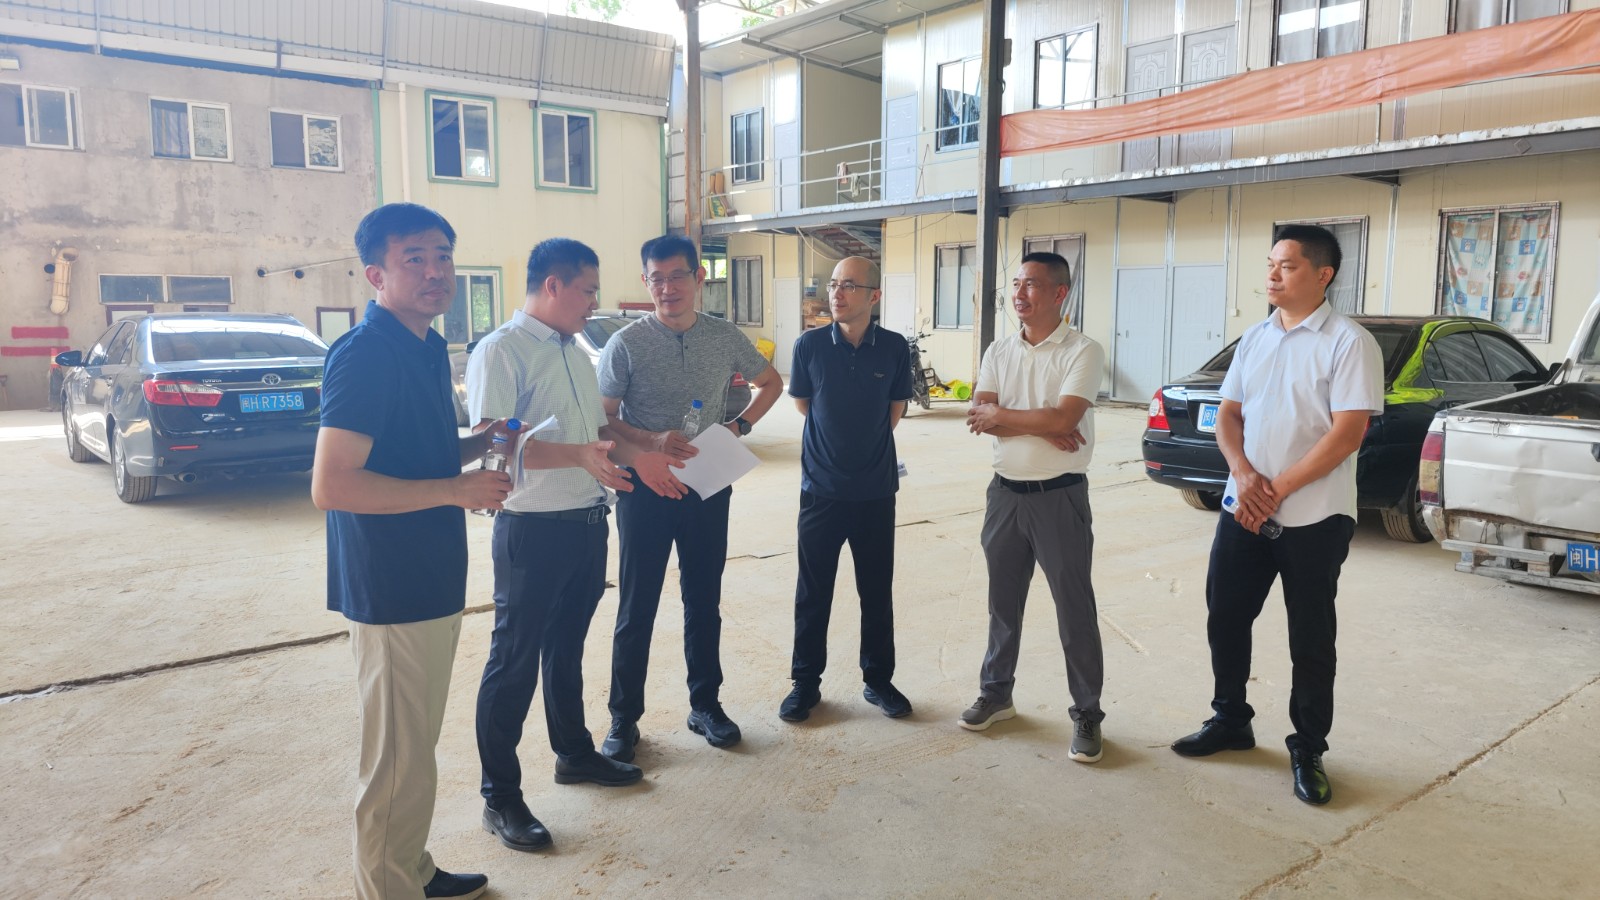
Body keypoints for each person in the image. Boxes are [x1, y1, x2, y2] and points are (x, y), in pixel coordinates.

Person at [312, 202, 506, 900]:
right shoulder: (365, 354)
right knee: (394, 764)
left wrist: (478, 445)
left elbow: (412, 454)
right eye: (414, 259)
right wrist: (455, 489)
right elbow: (333, 485)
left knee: (412, 750)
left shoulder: (423, 345)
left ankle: (410, 869)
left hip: (430, 578)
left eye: (443, 256)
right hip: (391, 588)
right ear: (376, 275)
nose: (435, 272)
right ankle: (389, 887)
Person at [467, 238, 684, 853]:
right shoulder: (501, 350)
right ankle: (500, 797)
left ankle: (574, 753)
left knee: (565, 652)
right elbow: (494, 445)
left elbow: (600, 430)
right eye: (588, 290)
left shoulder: (576, 353)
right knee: (513, 662)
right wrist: (580, 457)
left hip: (588, 522)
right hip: (532, 530)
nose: (594, 302)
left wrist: (644, 453)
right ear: (553, 285)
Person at [1170, 224, 1382, 805]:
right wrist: (1243, 475)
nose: (1272, 275)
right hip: (1243, 509)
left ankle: (1308, 746)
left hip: (1315, 516)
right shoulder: (1256, 338)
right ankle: (1230, 719)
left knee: (1310, 635)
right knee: (1226, 616)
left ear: (1323, 274)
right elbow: (1228, 416)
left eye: (1286, 266)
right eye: (1270, 264)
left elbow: (1347, 434)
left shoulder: (1349, 342)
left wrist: (1277, 489)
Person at [596, 234, 784, 759]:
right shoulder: (626, 344)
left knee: (703, 600)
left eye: (677, 276)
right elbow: (602, 417)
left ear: (699, 278)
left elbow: (771, 383)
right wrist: (650, 441)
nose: (667, 288)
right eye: (656, 278)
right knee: (637, 604)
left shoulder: (724, 337)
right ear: (645, 282)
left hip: (706, 485)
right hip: (644, 487)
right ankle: (623, 719)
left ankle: (706, 706)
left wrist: (737, 427)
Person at [961, 251, 1108, 765]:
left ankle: (1087, 713)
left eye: (1031, 284)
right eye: (1016, 284)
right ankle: (996, 693)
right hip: (1004, 496)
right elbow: (978, 415)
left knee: (1074, 608)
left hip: (1059, 497)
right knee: (1003, 604)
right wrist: (1043, 424)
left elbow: (1065, 417)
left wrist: (1019, 417)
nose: (1019, 294)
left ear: (1059, 293)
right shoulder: (998, 349)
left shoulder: (1083, 350)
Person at [779, 256, 914, 723]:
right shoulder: (809, 346)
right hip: (821, 490)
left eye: (849, 285)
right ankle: (805, 683)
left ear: (874, 296)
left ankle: (878, 680)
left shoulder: (894, 348)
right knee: (812, 592)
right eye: (834, 284)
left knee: (876, 592)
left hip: (875, 491)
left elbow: (893, 412)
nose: (836, 293)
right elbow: (805, 404)